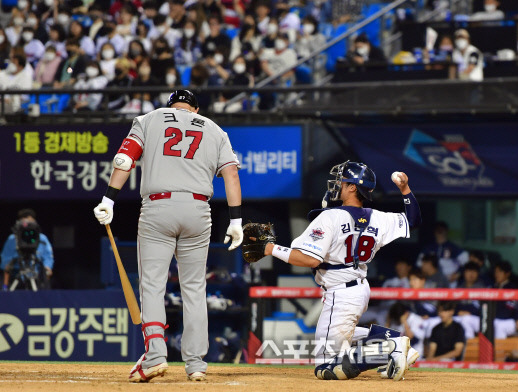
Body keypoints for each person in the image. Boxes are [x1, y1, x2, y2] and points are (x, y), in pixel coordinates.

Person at [92, 89, 244, 383]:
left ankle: (155, 357)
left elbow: (124, 160)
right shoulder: (214, 129)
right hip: (199, 210)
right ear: (195, 110)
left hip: (158, 207)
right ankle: (197, 364)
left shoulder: (149, 119)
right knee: (194, 288)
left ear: (171, 106)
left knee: (152, 285)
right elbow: (232, 175)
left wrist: (109, 199)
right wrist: (235, 220)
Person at [259, 161, 422, 381]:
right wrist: (405, 189)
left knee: (326, 366)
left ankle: (389, 347)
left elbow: (308, 259)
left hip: (341, 291)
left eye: (343, 181)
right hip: (359, 288)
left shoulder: (331, 216)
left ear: (353, 187)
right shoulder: (377, 217)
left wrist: (270, 248)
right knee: (337, 336)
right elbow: (413, 220)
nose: (338, 185)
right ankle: (396, 342)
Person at [1, 209, 54, 291]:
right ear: (19, 223)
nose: (28, 226)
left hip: (37, 277)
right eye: (25, 223)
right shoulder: (12, 239)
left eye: (31, 223)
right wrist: (4, 287)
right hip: (16, 277)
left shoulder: (42, 238)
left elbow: (48, 258)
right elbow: (5, 262)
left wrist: (47, 269)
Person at [418, 221, 468, 286]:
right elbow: (419, 264)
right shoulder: (428, 249)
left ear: (446, 231)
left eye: (442, 230)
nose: (440, 232)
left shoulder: (455, 248)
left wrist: (458, 274)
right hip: (431, 282)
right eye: (438, 230)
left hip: (451, 283)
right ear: (434, 232)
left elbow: (467, 263)